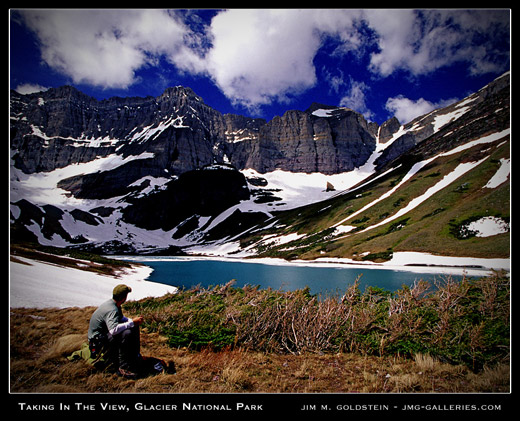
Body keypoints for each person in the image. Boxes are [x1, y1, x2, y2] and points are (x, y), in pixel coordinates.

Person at [88, 284, 144, 379]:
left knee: (133, 326)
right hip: (97, 341)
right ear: (124, 297)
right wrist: (131, 323)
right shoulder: (112, 309)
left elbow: (121, 318)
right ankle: (124, 368)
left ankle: (135, 356)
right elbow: (113, 330)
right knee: (127, 333)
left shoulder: (113, 304)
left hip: (100, 336)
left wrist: (132, 321)